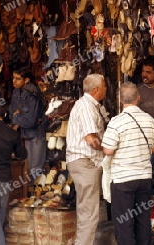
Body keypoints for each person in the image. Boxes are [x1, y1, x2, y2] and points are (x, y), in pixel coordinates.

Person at [102, 81, 154, 245]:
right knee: (143, 221)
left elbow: (108, 150)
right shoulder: (150, 120)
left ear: (120, 100)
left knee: (124, 223)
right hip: (143, 178)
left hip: (123, 181)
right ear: (138, 98)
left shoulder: (116, 122)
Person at [66, 73, 108, 245]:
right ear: (97, 89)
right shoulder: (86, 106)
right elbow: (91, 139)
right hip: (85, 162)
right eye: (105, 86)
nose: (106, 89)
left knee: (88, 210)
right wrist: (108, 149)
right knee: (89, 212)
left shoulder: (90, 106)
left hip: (86, 162)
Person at [0, 103, 27, 244]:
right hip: (5, 180)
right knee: (0, 217)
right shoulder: (11, 133)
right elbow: (22, 155)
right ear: (3, 116)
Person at [9, 68, 47, 178]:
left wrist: (17, 116)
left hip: (36, 135)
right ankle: (31, 193)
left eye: (18, 79)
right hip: (24, 134)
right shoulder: (16, 91)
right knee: (28, 168)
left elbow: (30, 121)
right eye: (13, 78)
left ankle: (37, 193)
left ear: (26, 80)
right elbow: (11, 113)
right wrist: (17, 116)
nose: (14, 81)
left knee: (36, 169)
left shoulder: (33, 94)